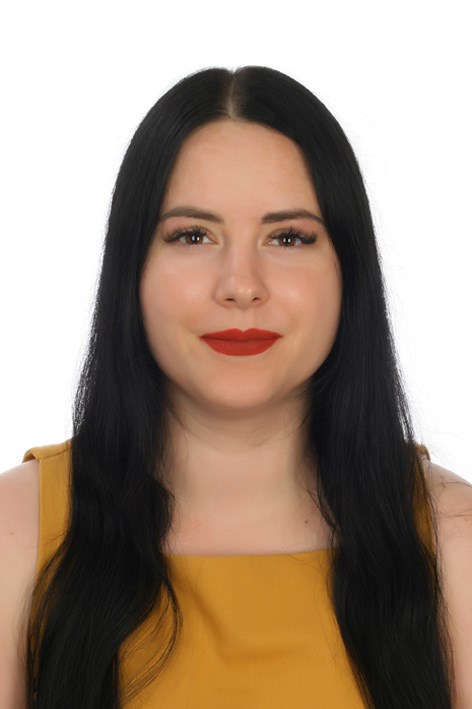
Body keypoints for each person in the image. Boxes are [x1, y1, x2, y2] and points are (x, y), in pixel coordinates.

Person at [0, 65, 471, 709]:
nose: (241, 285)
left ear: (348, 271)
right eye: (193, 235)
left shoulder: (452, 539)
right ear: (132, 270)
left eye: (288, 237)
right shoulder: (16, 533)